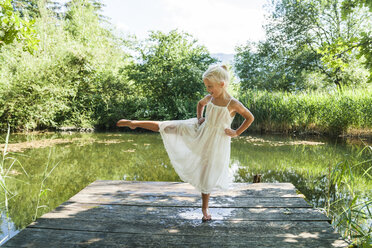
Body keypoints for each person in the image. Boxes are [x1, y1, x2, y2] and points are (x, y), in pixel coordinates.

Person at [116, 65, 254, 222]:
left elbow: (250, 118)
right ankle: (135, 123)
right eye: (206, 86)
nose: (208, 90)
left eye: (210, 86)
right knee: (169, 126)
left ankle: (205, 208)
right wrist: (200, 118)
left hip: (215, 142)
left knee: (206, 173)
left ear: (222, 84)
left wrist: (236, 132)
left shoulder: (233, 103)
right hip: (200, 129)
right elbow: (200, 104)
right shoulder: (211, 98)